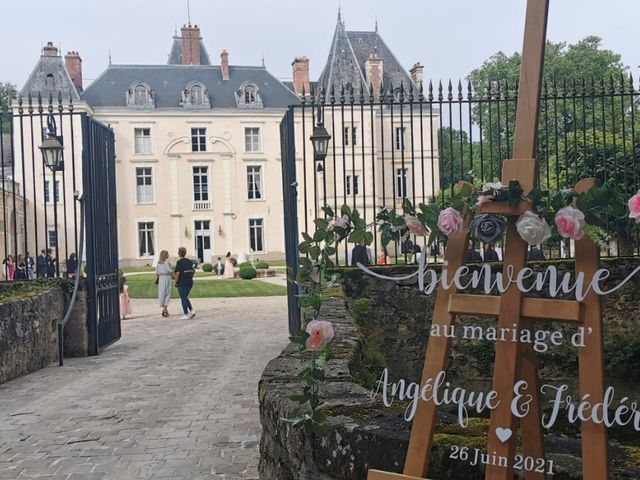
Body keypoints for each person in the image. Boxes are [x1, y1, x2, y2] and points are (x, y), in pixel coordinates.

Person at [174, 247, 196, 319]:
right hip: (189, 282)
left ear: (179, 253)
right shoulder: (190, 261)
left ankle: (186, 314)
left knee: (183, 298)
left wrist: (176, 281)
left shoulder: (179, 262)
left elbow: (177, 273)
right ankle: (192, 311)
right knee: (185, 297)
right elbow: (193, 270)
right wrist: (190, 276)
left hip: (182, 282)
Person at [156, 250, 173, 318]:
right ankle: (165, 310)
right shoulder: (167, 263)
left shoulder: (158, 263)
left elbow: (157, 272)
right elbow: (171, 271)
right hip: (167, 278)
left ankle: (165, 310)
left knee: (162, 293)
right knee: (167, 293)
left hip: (161, 279)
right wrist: (176, 278)